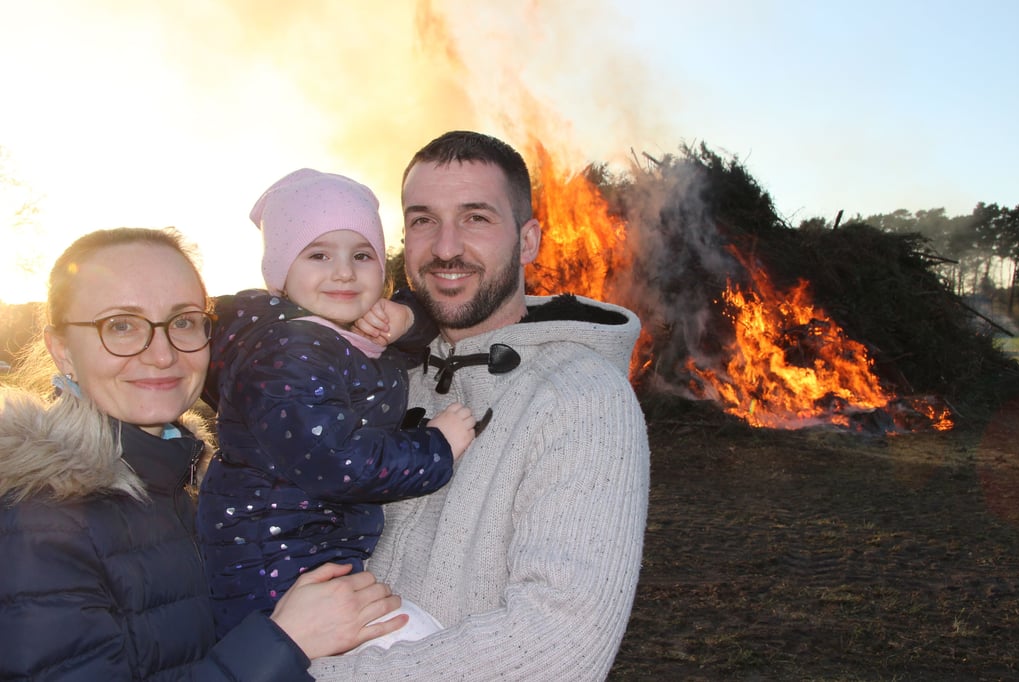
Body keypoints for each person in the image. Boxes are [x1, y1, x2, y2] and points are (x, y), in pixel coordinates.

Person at [311, 130, 651, 680]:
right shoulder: (375, 375)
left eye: (476, 218)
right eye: (423, 219)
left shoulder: (582, 396)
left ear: (529, 240)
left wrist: (299, 672)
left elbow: (559, 642)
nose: (446, 247)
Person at [0, 227, 406, 680]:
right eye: (120, 325)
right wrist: (284, 642)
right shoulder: (37, 523)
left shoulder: (192, 482)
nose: (161, 354)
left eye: (184, 321)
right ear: (62, 350)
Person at [197, 169, 477, 647]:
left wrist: (404, 317)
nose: (344, 271)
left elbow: (414, 330)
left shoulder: (335, 334)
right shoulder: (289, 351)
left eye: (362, 255)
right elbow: (334, 459)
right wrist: (436, 447)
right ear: (282, 271)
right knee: (418, 642)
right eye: (319, 254)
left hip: (306, 553)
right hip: (276, 573)